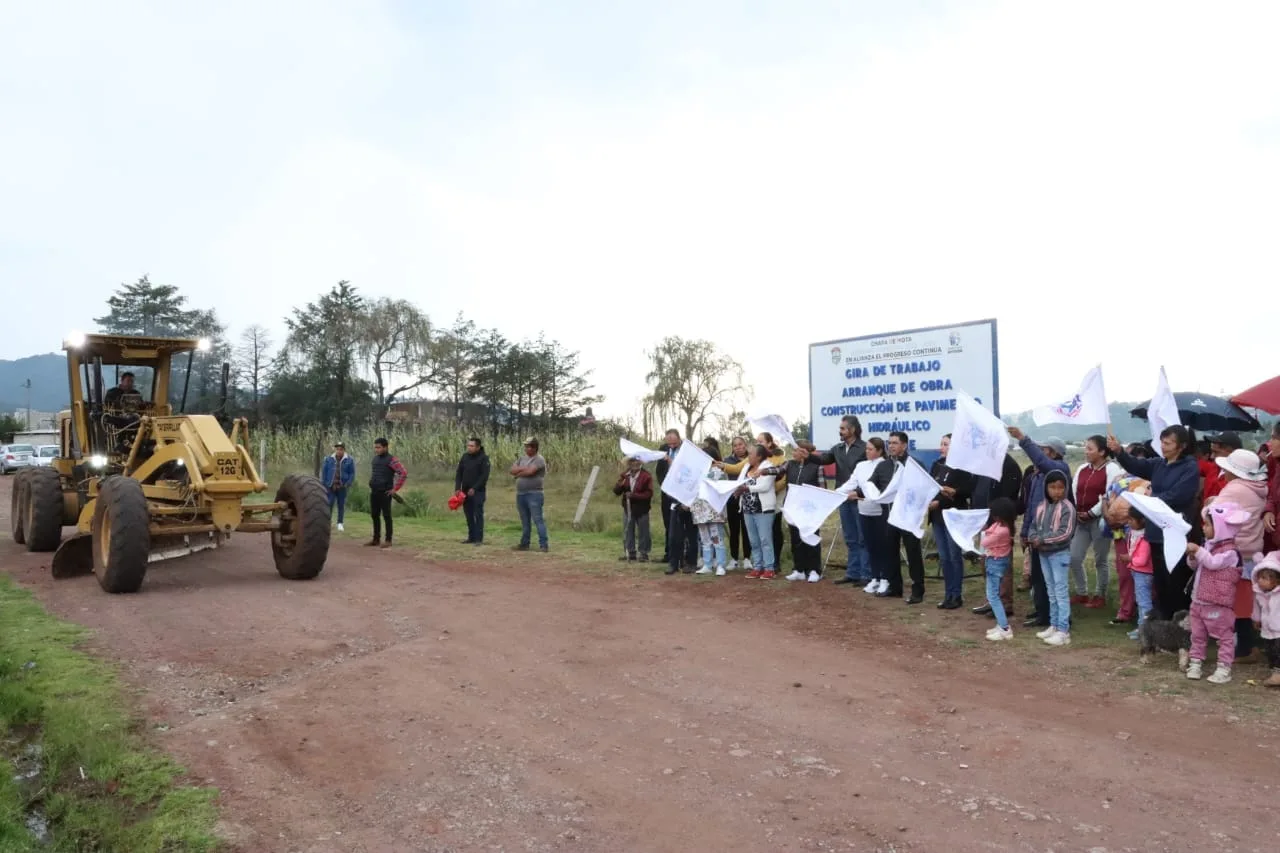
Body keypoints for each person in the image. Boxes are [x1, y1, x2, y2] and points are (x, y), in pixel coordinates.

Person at [1109, 425, 1200, 619]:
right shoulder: (1159, 464)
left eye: (1168, 443)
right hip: (1156, 531)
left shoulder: (1190, 467)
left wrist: (1152, 498)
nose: (1163, 446)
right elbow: (1135, 465)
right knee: (1160, 581)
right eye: (1162, 442)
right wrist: (1119, 451)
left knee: (1175, 580)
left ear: (1182, 446)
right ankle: (1163, 624)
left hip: (1175, 532)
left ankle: (1180, 624)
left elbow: (1179, 495)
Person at [1205, 448, 1269, 665]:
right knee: (1245, 601)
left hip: (1234, 550)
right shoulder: (1258, 488)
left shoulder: (1235, 488)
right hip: (1251, 549)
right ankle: (1246, 645)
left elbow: (1214, 515)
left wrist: (1208, 505)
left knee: (1236, 603)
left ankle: (1244, 648)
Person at [1008, 428, 1071, 630]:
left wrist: (1023, 439)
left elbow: (1043, 463)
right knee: (1037, 577)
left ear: (1052, 453)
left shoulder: (1058, 469)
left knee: (1052, 582)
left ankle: (1054, 619)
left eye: (1043, 449)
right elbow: (1032, 508)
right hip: (1037, 535)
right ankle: (1042, 610)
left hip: (1051, 540)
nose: (1040, 453)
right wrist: (1026, 532)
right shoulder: (1037, 476)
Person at [1185, 502, 1250, 684]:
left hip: (1218, 603)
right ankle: (1195, 662)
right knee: (1197, 635)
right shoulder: (1208, 546)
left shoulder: (1231, 553)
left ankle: (1224, 668)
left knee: (1224, 636)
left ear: (1220, 527)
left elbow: (1213, 563)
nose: (1203, 528)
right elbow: (1196, 565)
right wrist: (1192, 556)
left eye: (1207, 524)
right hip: (1198, 601)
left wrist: (1198, 551)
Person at [812, 415, 870, 586]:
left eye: (843, 428)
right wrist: (807, 454)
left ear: (852, 430)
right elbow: (823, 460)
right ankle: (853, 573)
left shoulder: (865, 448)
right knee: (850, 537)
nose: (840, 431)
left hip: (859, 497)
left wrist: (860, 491)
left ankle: (866, 574)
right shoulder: (837, 448)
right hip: (842, 497)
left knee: (863, 537)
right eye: (840, 428)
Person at [1069, 435, 1123, 608]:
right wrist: (1077, 511)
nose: (1086, 451)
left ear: (1102, 451)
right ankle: (1082, 592)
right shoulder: (1082, 468)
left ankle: (1100, 594)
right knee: (1074, 557)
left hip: (1101, 520)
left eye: (1090, 448)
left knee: (1101, 558)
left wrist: (1092, 512)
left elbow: (1109, 494)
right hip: (1081, 520)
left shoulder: (1112, 469)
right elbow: (1074, 490)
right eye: (1085, 448)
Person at [970, 452, 1023, 619]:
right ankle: (991, 599)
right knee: (986, 564)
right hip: (981, 519)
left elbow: (1007, 499)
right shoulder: (983, 461)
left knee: (1001, 565)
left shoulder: (1009, 465)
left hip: (998, 521)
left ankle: (1005, 603)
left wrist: (997, 517)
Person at [1029, 469, 1077, 646]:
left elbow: (1065, 533)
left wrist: (1041, 539)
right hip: (1044, 554)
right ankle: (1054, 625)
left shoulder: (1067, 508)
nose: (1057, 491)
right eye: (1052, 487)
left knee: (1061, 592)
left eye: (1060, 487)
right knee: (1051, 591)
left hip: (1059, 555)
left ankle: (1063, 630)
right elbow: (1034, 526)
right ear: (1046, 488)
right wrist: (1033, 537)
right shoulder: (1041, 506)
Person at [928, 433, 974, 610]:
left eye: (946, 444)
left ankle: (956, 594)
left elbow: (967, 490)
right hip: (937, 516)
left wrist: (951, 493)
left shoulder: (962, 467)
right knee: (944, 557)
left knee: (954, 556)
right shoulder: (937, 465)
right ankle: (948, 593)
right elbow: (931, 486)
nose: (942, 447)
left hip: (953, 516)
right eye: (941, 444)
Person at [849, 437, 896, 595]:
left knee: (882, 546)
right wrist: (838, 493)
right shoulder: (861, 465)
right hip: (864, 511)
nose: (867, 451)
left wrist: (866, 495)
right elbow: (852, 484)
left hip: (879, 512)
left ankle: (885, 578)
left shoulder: (884, 465)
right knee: (870, 546)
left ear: (879, 451)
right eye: (866, 448)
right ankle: (874, 578)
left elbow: (880, 489)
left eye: (870, 449)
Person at [782, 441, 825, 583]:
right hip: (793, 508)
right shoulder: (789, 464)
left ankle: (814, 570)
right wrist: (763, 471)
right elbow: (776, 471)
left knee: (810, 538)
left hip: (810, 510)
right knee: (796, 539)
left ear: (804, 452)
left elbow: (822, 489)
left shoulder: (816, 467)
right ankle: (799, 569)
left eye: (796, 450)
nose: (793, 453)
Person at [736, 444, 778, 580]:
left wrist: (746, 488)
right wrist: (737, 490)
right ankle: (757, 567)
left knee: (765, 539)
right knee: (753, 540)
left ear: (759, 456)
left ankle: (769, 568)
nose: (748, 456)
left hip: (763, 509)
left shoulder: (768, 467)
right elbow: (739, 482)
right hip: (747, 508)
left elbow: (765, 486)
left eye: (751, 454)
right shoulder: (746, 467)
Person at [981, 497, 1018, 641]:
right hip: (994, 562)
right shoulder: (1000, 525)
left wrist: (985, 533)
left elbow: (985, 541)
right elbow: (989, 529)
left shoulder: (1002, 530)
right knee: (993, 595)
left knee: (993, 596)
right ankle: (1000, 624)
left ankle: (1004, 627)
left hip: (995, 564)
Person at [690, 440, 728, 576]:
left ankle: (720, 564)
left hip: (714, 510)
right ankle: (707, 563)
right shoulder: (696, 472)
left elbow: (721, 488)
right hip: (699, 509)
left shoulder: (719, 472)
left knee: (716, 537)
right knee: (705, 539)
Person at [366, 437, 407, 549]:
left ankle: (388, 540)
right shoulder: (375, 459)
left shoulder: (391, 460)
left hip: (385, 492)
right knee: (374, 515)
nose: (376, 450)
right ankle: (376, 539)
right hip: (374, 491)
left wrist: (395, 489)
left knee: (386, 516)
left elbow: (403, 473)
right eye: (375, 447)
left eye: (379, 447)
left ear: (385, 447)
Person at [511, 437, 549, 552]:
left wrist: (519, 472)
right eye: (526, 446)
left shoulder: (539, 459)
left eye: (528, 446)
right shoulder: (522, 458)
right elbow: (512, 470)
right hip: (521, 494)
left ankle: (543, 544)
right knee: (525, 520)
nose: (526, 448)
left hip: (534, 494)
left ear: (534, 448)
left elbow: (530, 472)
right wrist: (522, 469)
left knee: (538, 519)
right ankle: (524, 543)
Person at [613, 456, 654, 562]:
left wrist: (634, 495)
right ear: (629, 463)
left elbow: (649, 494)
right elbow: (616, 492)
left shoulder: (646, 476)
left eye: (637, 461)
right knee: (628, 531)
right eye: (632, 461)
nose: (634, 463)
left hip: (642, 509)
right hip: (628, 508)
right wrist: (619, 485)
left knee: (644, 532)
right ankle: (630, 553)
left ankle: (644, 554)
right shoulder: (624, 475)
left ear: (640, 463)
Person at [722, 436, 755, 569]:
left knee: (747, 529)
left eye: (741, 444)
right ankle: (734, 558)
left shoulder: (752, 459)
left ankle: (747, 558)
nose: (738, 447)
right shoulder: (728, 461)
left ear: (745, 445)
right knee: (734, 530)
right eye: (735, 445)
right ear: (732, 448)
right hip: (733, 499)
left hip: (748, 498)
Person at [1125, 506, 1155, 641]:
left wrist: (1130, 559)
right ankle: (1141, 627)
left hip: (1143, 574)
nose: (1129, 522)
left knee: (1144, 602)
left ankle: (1145, 631)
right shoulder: (1135, 534)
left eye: (1131, 519)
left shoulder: (1145, 538)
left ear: (1142, 520)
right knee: (1141, 601)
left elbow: (1142, 560)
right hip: (1138, 573)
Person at [1251, 553, 1280, 688]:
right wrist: (1256, 619)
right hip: (1267, 629)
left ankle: (1278, 674)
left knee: (1278, 650)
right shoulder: (1259, 594)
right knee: (1269, 650)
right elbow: (1257, 607)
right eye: (1259, 578)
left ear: (1276, 580)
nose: (1260, 581)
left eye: (1265, 578)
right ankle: (1274, 671)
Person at [654, 429, 683, 563]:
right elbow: (659, 471)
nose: (671, 445)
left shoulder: (686, 450)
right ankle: (669, 553)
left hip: (681, 493)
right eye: (669, 443)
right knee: (668, 523)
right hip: (666, 492)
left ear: (679, 439)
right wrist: (664, 486)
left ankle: (684, 555)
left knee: (681, 524)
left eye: (674, 443)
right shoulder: (663, 449)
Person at [455, 437, 491, 545]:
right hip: (465, 491)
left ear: (478, 447)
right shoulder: (465, 457)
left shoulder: (484, 459)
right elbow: (459, 473)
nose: (469, 448)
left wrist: (474, 488)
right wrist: (457, 488)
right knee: (468, 514)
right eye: (468, 445)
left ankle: (479, 539)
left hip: (478, 492)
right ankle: (471, 537)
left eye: (472, 446)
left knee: (478, 514)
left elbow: (484, 476)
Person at [321, 441, 356, 531]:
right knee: (330, 503)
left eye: (341, 449)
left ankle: (340, 523)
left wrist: (348, 483)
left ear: (344, 450)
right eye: (337, 449)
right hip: (330, 485)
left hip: (342, 486)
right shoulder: (328, 459)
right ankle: (328, 522)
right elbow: (324, 472)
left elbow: (352, 473)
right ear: (335, 449)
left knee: (341, 504)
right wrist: (324, 484)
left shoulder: (349, 460)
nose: (339, 451)